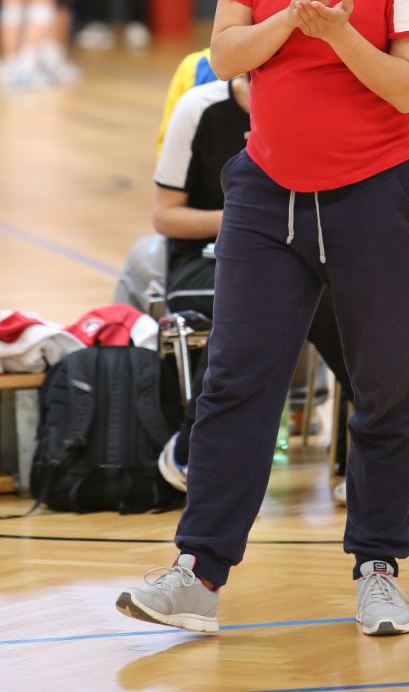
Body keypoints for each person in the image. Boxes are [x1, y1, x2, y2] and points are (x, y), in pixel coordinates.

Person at [116, 0, 409, 637]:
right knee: (235, 378)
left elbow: (406, 85)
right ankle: (198, 574)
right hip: (269, 191)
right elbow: (227, 53)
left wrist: (338, 35)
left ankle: (378, 568)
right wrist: (292, 22)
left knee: (384, 387)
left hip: (382, 192)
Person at [150, 72, 353, 492]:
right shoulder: (199, 108)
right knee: (263, 292)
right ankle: (193, 448)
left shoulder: (317, 104)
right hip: (201, 260)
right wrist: (248, 219)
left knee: (341, 297)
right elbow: (165, 216)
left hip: (292, 252)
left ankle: (367, 450)